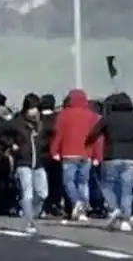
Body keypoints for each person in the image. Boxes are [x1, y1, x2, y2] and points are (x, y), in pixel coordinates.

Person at [86, 92, 133, 232]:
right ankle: (125, 220)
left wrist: (88, 144)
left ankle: (114, 208)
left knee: (107, 186)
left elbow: (93, 133)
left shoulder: (108, 119)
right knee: (127, 189)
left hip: (111, 156)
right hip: (131, 157)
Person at [50, 89, 103, 221]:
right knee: (83, 183)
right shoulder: (93, 116)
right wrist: (97, 156)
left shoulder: (63, 115)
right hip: (87, 153)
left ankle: (77, 202)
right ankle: (83, 211)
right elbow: (98, 138)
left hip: (68, 153)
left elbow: (58, 135)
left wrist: (54, 151)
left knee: (69, 182)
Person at [0, 94, 49, 233]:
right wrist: (12, 144)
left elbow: (48, 136)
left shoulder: (41, 123)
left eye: (36, 109)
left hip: (38, 162)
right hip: (23, 162)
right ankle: (29, 221)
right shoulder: (17, 122)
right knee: (28, 193)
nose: (34, 112)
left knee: (43, 193)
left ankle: (32, 212)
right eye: (31, 108)